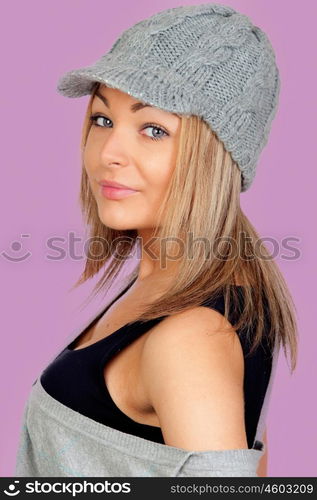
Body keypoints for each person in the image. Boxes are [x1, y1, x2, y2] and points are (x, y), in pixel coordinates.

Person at [15, 2, 298, 477]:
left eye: (153, 130)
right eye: (103, 119)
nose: (109, 154)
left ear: (215, 157)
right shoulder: (176, 283)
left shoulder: (192, 338)